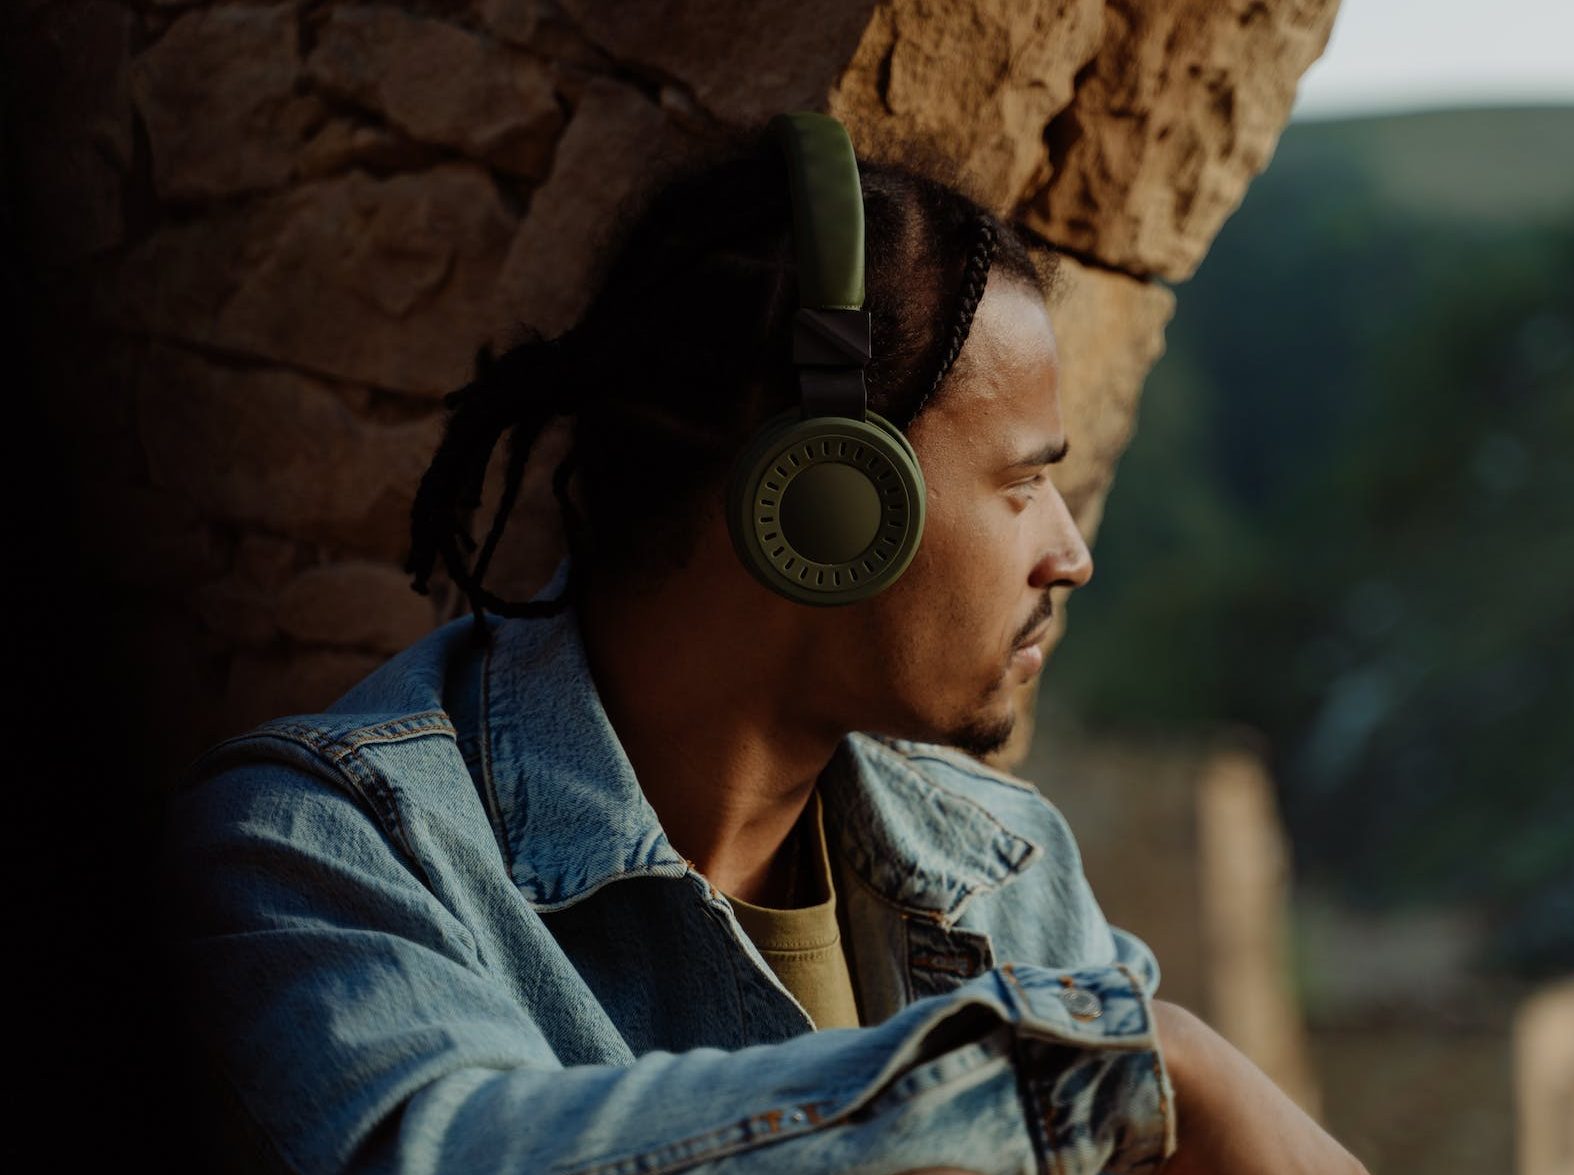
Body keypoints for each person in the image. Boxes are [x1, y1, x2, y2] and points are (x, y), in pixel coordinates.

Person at [160, 113, 1363, 1174]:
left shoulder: (1003, 865)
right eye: (1018, 484)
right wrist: (1110, 1061)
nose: (1068, 550)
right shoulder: (316, 850)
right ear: (825, 500)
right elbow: (431, 1150)